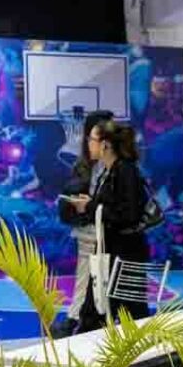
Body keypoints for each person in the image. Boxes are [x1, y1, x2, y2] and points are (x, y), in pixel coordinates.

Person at [73, 121, 150, 325]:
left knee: (128, 315)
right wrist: (88, 206)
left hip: (124, 254)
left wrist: (90, 207)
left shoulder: (125, 171)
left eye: (92, 139)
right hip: (109, 251)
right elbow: (110, 208)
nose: (88, 143)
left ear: (105, 144)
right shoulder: (108, 171)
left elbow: (128, 215)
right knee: (97, 311)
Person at [58, 111, 114, 334]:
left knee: (106, 279)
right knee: (86, 275)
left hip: (109, 228)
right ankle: (75, 318)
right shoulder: (85, 164)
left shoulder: (117, 165)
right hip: (89, 228)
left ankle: (85, 319)